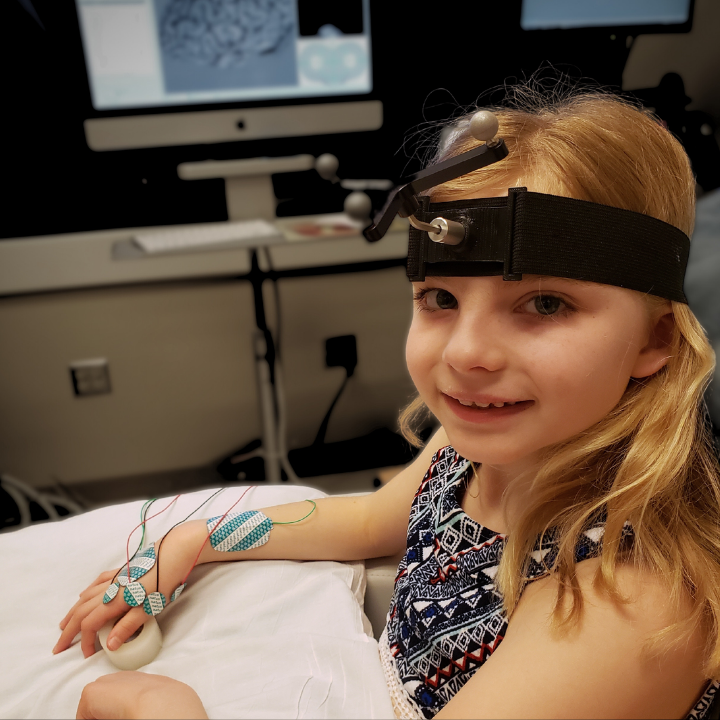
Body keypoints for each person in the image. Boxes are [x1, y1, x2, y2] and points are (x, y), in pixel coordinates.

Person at [56, 87, 720, 720]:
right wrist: (200, 539)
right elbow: (372, 518)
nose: (465, 354)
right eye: (441, 299)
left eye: (544, 304)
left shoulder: (623, 603)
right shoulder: (474, 449)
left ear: (654, 339)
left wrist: (163, 708)